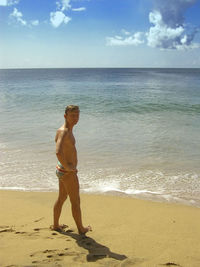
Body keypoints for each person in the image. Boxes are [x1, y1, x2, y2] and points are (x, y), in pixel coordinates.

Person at [53, 105, 91, 234]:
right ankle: (81, 228)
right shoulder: (64, 131)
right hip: (66, 172)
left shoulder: (64, 130)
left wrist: (65, 167)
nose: (76, 118)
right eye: (72, 115)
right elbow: (58, 151)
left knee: (62, 198)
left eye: (77, 115)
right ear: (65, 116)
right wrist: (69, 168)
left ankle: (56, 225)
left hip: (61, 170)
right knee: (75, 201)